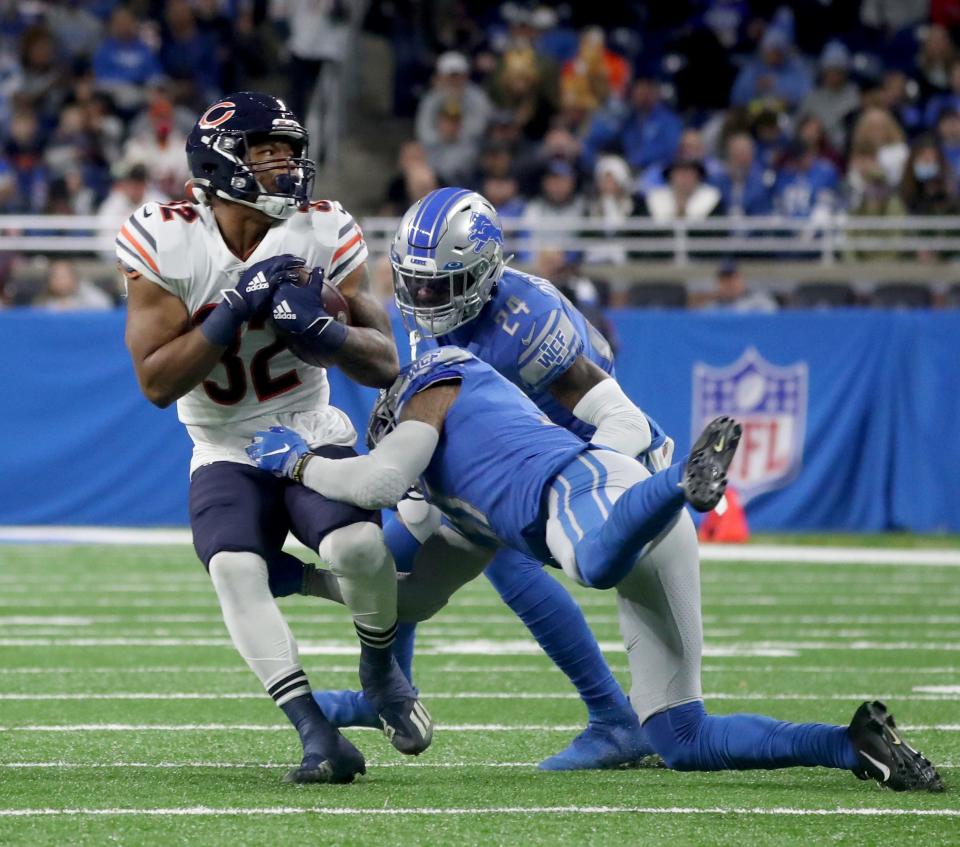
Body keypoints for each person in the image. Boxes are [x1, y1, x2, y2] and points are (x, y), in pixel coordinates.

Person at [250, 347, 943, 794]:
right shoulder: (455, 512)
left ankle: (682, 479)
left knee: (587, 561)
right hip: (638, 519)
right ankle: (851, 745)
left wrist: (299, 462)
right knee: (681, 736)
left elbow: (377, 479)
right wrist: (301, 579)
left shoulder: (445, 377)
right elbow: (414, 598)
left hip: (596, 491)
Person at [118, 92, 430, 785]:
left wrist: (327, 332)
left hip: (308, 427)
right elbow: (157, 383)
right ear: (222, 162)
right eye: (268, 151)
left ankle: (379, 670)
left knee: (358, 546)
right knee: (232, 566)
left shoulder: (323, 229)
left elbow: (384, 359)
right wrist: (233, 308)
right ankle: (317, 733)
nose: (286, 165)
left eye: (290, 150)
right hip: (224, 441)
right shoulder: (165, 237)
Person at [314, 188, 669, 771]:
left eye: (438, 284)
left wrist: (568, 484)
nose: (422, 296)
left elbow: (613, 415)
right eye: (415, 281)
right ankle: (386, 692)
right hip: (512, 453)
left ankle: (614, 718)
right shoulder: (441, 303)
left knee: (506, 558)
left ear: (482, 273)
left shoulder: (524, 324)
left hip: (580, 457)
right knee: (392, 554)